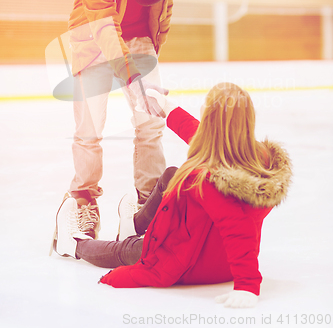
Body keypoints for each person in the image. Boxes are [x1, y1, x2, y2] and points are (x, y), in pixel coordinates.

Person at [54, 83, 292, 308]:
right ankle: (134, 224)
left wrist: (247, 286)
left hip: (187, 263)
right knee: (171, 175)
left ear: (210, 121)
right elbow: (200, 134)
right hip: (220, 261)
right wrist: (167, 108)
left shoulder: (207, 178)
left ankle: (74, 245)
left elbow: (238, 228)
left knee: (126, 250)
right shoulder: (257, 158)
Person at [58, 0, 181, 239]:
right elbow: (100, 20)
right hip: (95, 37)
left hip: (140, 38)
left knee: (149, 120)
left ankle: (150, 201)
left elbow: (165, 11)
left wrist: (151, 57)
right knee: (90, 128)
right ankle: (84, 201)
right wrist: (124, 68)